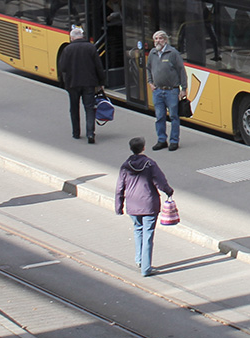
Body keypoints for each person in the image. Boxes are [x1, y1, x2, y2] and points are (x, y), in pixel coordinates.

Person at [114, 136, 174, 276]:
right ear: (144, 148)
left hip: (132, 205)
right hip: (149, 204)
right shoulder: (150, 164)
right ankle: (146, 268)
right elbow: (160, 182)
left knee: (138, 230)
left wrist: (118, 206)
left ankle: (139, 260)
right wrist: (169, 191)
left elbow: (119, 188)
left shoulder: (125, 165)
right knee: (148, 236)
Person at [58, 26, 105, 143]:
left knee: (74, 108)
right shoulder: (91, 47)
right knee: (89, 108)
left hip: (72, 83)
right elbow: (99, 66)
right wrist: (101, 82)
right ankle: (90, 134)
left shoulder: (67, 49)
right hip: (89, 83)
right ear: (82, 36)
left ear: (72, 38)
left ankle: (76, 133)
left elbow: (62, 67)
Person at [147, 30, 188, 152]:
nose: (157, 41)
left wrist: (183, 89)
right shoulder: (152, 53)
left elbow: (181, 71)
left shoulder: (173, 53)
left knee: (174, 117)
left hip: (172, 91)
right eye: (155, 39)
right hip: (158, 91)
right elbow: (148, 68)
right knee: (159, 116)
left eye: (160, 38)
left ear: (165, 40)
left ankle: (174, 141)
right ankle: (161, 140)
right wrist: (150, 83)